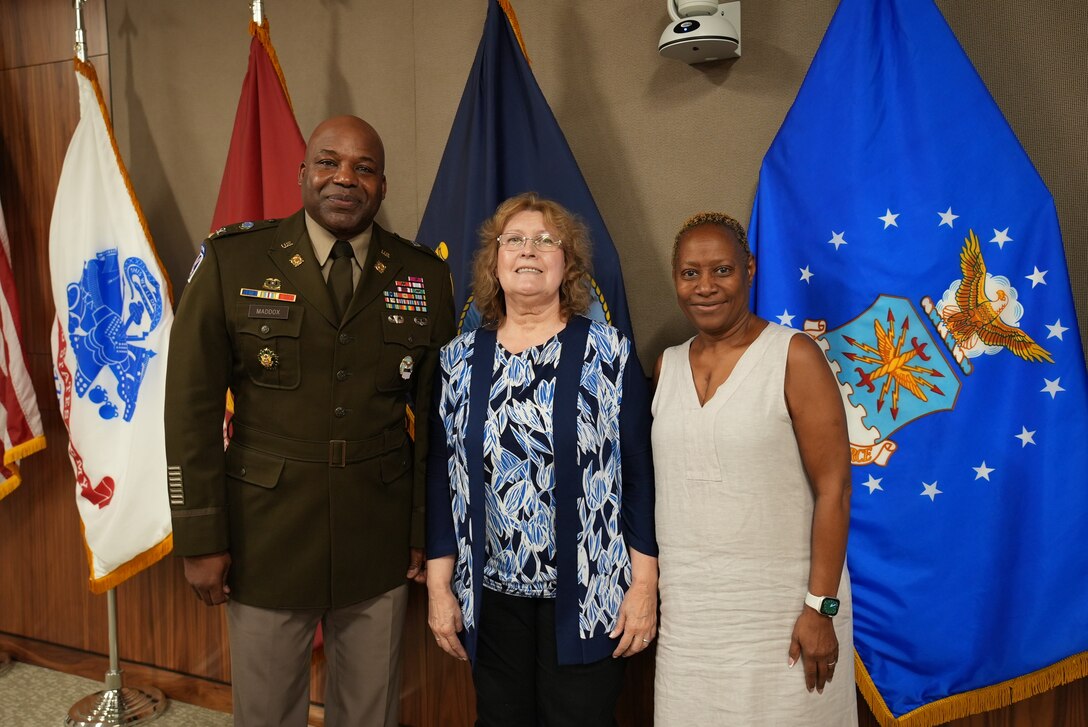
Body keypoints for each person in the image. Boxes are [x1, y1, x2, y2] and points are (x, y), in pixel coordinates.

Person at [164, 115, 455, 727]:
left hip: (377, 535)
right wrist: (199, 536)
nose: (344, 178)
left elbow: (435, 421)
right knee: (266, 713)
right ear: (302, 173)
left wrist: (424, 528)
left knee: (370, 712)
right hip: (265, 534)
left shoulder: (423, 276)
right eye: (328, 162)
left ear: (382, 185)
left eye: (364, 168)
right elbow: (189, 410)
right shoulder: (233, 261)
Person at [425, 193, 658, 726]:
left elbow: (641, 478)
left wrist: (644, 588)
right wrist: (440, 590)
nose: (529, 250)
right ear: (494, 260)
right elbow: (441, 482)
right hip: (489, 597)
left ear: (567, 263)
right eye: (515, 240)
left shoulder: (610, 352)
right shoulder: (457, 361)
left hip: (590, 597)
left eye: (546, 240)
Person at [651, 213, 856, 725]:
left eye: (721, 270)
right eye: (689, 273)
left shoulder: (793, 355)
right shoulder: (666, 366)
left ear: (750, 269)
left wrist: (820, 608)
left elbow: (835, 488)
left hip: (787, 616)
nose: (705, 287)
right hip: (691, 623)